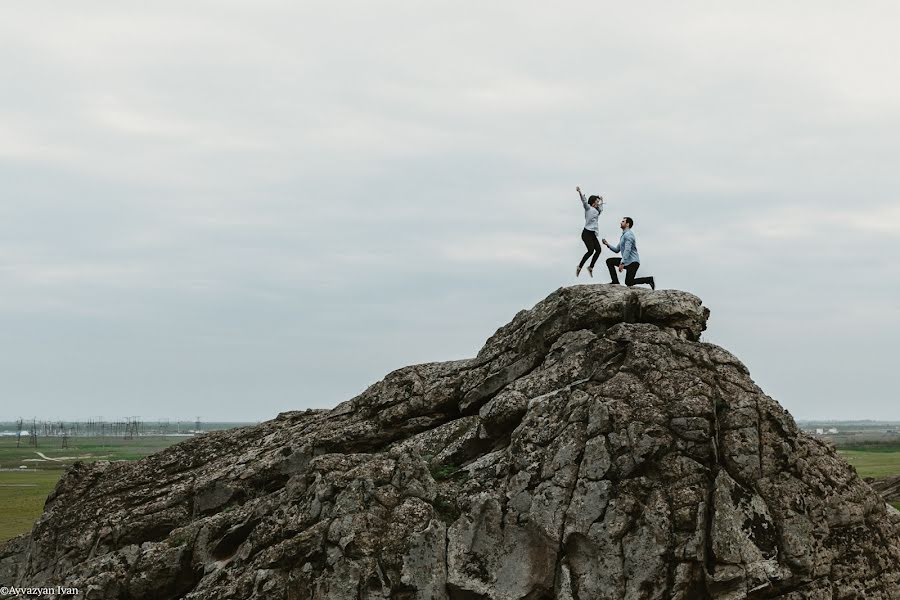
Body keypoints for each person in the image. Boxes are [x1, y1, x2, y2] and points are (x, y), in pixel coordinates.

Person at [602, 217, 655, 289]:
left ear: (627, 224)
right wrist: (607, 244)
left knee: (628, 282)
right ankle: (615, 281)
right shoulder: (623, 236)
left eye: (623, 221)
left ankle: (649, 280)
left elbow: (627, 250)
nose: (621, 223)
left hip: (633, 262)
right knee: (609, 261)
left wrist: (622, 263)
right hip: (627, 261)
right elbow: (617, 250)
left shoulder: (629, 235)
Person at [575, 186, 604, 277]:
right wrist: (579, 191)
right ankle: (579, 266)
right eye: (596, 201)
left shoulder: (597, 211)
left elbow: (601, 208)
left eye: (598, 202)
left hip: (592, 234)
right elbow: (583, 201)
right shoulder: (588, 208)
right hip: (586, 233)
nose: (597, 203)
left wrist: (601, 201)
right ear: (592, 202)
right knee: (591, 250)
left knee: (598, 250)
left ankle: (590, 267)